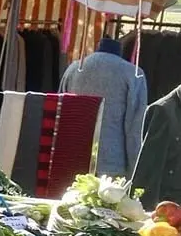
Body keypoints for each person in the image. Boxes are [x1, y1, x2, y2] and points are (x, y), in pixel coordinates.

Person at [60, 38, 149, 177]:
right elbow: (135, 128)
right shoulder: (133, 74)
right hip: (112, 162)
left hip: (72, 157)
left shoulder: (73, 69)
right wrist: (135, 170)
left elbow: (59, 115)